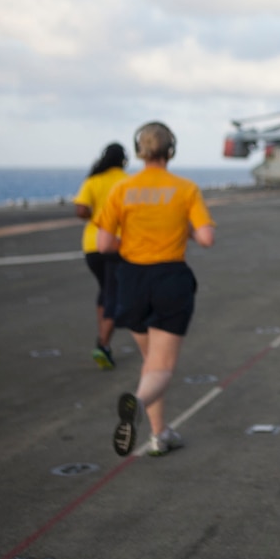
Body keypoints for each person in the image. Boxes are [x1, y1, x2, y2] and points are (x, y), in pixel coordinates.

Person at [96, 122, 215, 457]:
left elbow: (104, 243)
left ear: (139, 150)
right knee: (161, 366)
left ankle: (159, 434)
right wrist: (185, 232)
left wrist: (133, 242)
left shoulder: (122, 190)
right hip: (169, 278)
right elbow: (206, 237)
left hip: (131, 279)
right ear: (171, 150)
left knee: (151, 361)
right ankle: (136, 404)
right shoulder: (185, 189)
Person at [72, 142, 129, 369]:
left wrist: (95, 215)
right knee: (113, 295)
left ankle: (102, 339)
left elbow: (80, 210)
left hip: (91, 245)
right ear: (124, 160)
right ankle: (103, 344)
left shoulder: (93, 180)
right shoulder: (127, 181)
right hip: (117, 244)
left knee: (104, 291)